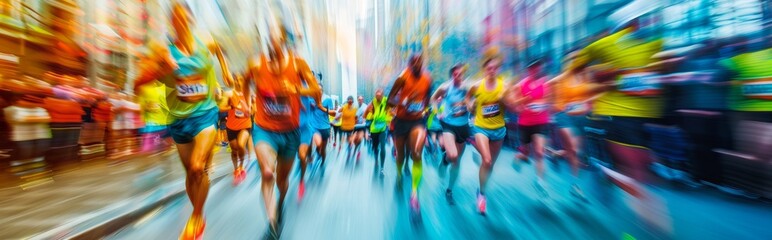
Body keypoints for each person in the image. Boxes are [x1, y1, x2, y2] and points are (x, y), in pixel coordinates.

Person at [132, 2, 228, 238]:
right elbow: (137, 84)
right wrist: (158, 70)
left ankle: (196, 217)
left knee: (198, 166)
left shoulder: (205, 43)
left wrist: (225, 72)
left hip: (205, 115)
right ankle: (198, 214)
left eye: (184, 18)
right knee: (191, 174)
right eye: (176, 19)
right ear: (171, 23)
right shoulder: (162, 51)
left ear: (192, 20)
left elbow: (219, 49)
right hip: (178, 120)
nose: (180, 23)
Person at [245, 28, 321, 236]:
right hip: (264, 129)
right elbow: (245, 81)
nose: (272, 45)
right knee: (267, 172)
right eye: (269, 40)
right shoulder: (256, 64)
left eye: (277, 40)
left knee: (282, 180)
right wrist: (245, 102)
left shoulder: (298, 64)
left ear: (284, 43)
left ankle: (281, 202)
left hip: (290, 132)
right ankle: (272, 225)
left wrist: (296, 90)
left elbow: (316, 90)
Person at [465, 56, 512, 215]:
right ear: (484, 70)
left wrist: (504, 99)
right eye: (488, 68)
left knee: (489, 165)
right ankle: (482, 196)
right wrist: (470, 105)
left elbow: (511, 104)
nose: (491, 71)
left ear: (497, 70)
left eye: (494, 68)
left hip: (499, 129)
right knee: (487, 159)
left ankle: (481, 189)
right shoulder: (477, 86)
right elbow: (468, 98)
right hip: (481, 128)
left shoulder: (503, 86)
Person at [386, 54, 432, 214]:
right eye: (414, 62)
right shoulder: (402, 78)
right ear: (410, 65)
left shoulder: (428, 78)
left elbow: (428, 99)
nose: (418, 65)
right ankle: (398, 175)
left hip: (417, 121)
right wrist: (404, 102)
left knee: (417, 153)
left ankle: (414, 194)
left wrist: (424, 110)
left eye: (420, 61)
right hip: (400, 121)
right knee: (401, 156)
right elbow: (389, 100)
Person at [548, 52, 593, 200]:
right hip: (564, 116)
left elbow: (590, 98)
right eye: (573, 60)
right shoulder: (561, 79)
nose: (576, 62)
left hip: (581, 117)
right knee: (573, 149)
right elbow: (552, 94)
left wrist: (588, 106)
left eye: (578, 60)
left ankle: (556, 156)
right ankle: (576, 185)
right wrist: (561, 106)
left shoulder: (586, 77)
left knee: (575, 152)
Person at [430, 64, 470, 205]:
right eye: (455, 74)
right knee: (452, 155)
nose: (458, 77)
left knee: (457, 160)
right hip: (449, 125)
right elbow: (433, 99)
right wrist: (438, 112)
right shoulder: (445, 88)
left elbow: (477, 100)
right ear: (452, 76)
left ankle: (450, 189)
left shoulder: (468, 88)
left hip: (463, 127)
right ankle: (445, 160)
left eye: (461, 74)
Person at [512, 60, 553, 198]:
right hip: (525, 123)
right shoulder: (521, 85)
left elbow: (549, 100)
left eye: (538, 68)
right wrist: (524, 102)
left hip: (541, 122)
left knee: (539, 152)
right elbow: (515, 104)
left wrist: (544, 105)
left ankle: (540, 181)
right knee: (526, 153)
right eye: (533, 68)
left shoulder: (545, 83)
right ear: (529, 70)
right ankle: (519, 157)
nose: (535, 71)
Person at [365, 89, 389, 173]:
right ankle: (376, 158)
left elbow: (394, 104)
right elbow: (365, 114)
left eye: (379, 96)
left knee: (383, 147)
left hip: (383, 128)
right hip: (374, 129)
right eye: (376, 96)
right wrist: (368, 112)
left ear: (382, 95)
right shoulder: (373, 102)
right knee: (375, 147)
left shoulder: (386, 100)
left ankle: (382, 167)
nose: (378, 98)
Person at [338, 96, 358, 160]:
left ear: (352, 101)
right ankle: (348, 148)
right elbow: (339, 111)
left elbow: (356, 117)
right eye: (349, 100)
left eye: (350, 100)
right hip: (345, 127)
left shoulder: (354, 108)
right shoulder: (345, 107)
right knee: (347, 138)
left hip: (350, 127)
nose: (350, 101)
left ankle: (348, 149)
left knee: (348, 138)